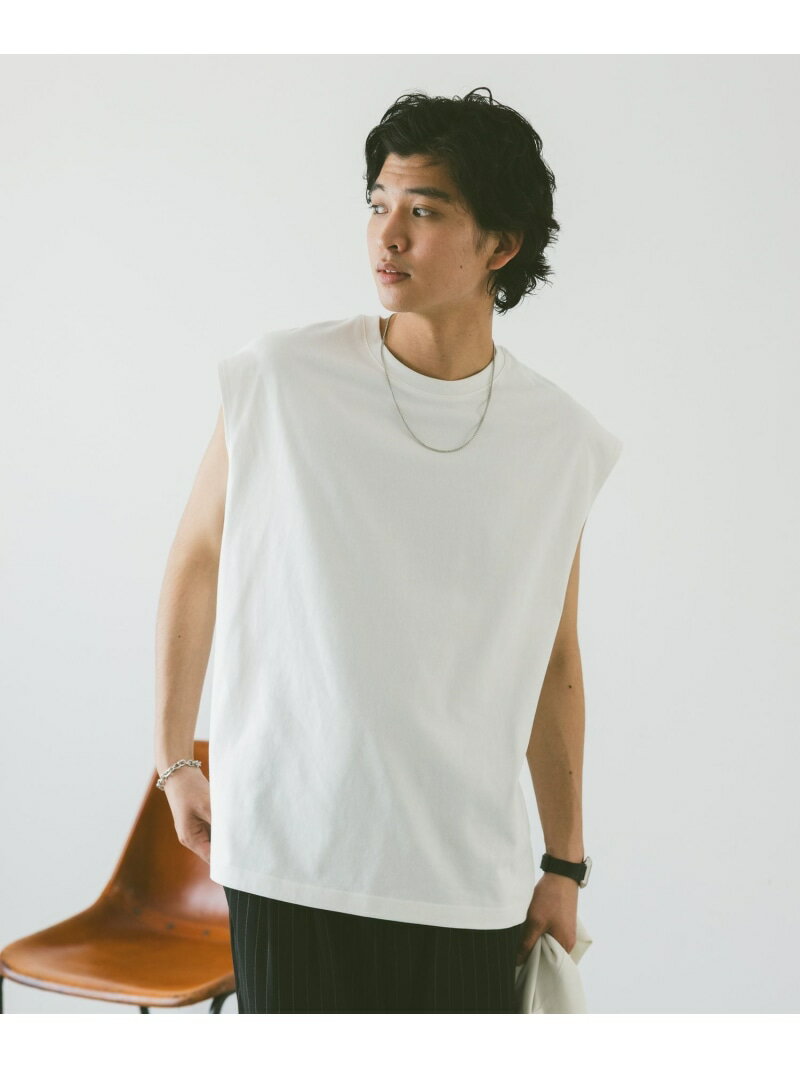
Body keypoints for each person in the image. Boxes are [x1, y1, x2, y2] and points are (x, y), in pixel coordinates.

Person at [154, 87, 623, 1013]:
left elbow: (554, 659)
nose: (388, 235)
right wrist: (176, 760)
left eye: (425, 211)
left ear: (501, 245)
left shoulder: (559, 440)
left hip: (465, 875)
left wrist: (564, 863)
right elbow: (198, 561)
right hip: (292, 859)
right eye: (378, 204)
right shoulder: (282, 380)